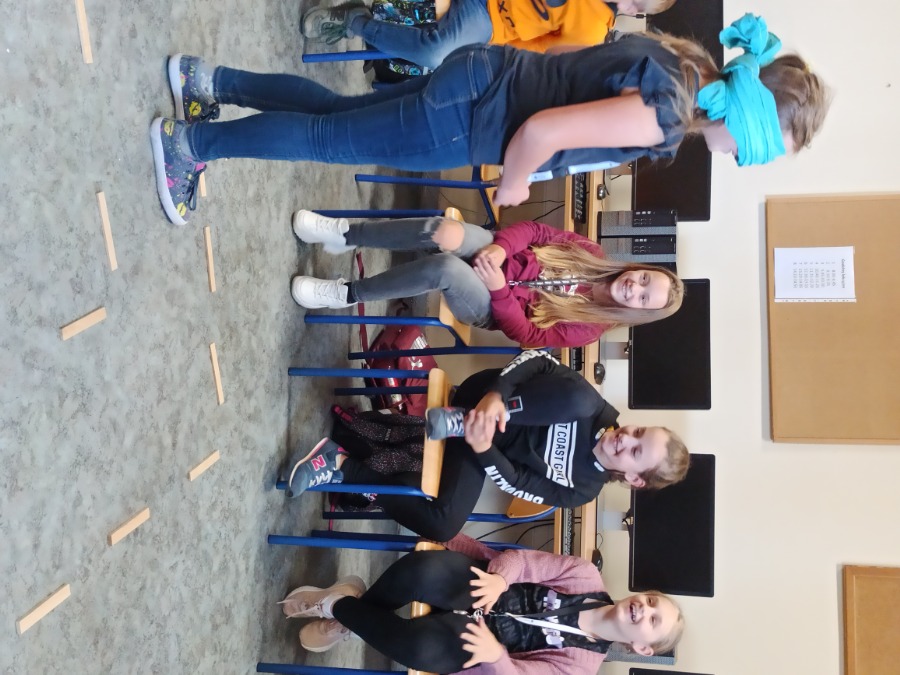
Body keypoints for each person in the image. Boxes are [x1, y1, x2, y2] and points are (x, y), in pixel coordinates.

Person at [150, 13, 829, 225]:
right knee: (327, 140)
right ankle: (190, 144)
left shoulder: (680, 63)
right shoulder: (667, 113)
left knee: (335, 114)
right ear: (750, 117)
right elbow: (541, 134)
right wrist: (514, 182)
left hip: (484, 76)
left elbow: (562, 60)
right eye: (759, 147)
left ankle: (208, 81)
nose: (743, 158)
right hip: (474, 118)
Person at [285, 350, 690, 541]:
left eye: (636, 452)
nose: (626, 438)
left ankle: (340, 464)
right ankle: (462, 420)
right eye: (639, 432)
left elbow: (517, 482)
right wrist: (496, 396)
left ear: (635, 479)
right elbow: (537, 361)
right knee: (578, 400)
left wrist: (481, 447)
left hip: (478, 447)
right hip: (484, 399)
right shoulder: (594, 407)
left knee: (444, 526)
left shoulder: (582, 490)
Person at [279, 532, 684, 670]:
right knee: (420, 569)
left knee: (415, 647)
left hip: (481, 643)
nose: (644, 609)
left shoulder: (583, 666)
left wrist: (496, 655)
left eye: (653, 621)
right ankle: (353, 617)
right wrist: (500, 580)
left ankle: (339, 606)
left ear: (642, 648)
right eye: (651, 601)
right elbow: (525, 561)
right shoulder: (585, 576)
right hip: (484, 586)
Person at [291, 213, 683, 348]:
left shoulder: (589, 329)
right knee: (446, 232)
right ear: (637, 268)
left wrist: (497, 289)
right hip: (499, 256)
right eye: (643, 279)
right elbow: (535, 232)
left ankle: (347, 293)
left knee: (446, 269)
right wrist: (499, 248)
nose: (635, 288)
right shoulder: (591, 253)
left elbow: (527, 334)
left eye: (643, 298)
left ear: (638, 313)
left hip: (491, 305)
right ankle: (346, 233)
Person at [300, 0, 678, 70]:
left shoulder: (593, 29)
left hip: (489, 17)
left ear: (634, 14)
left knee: (435, 54)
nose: (626, 2)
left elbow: (535, 53)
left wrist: (485, 49)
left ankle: (355, 21)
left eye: (634, 4)